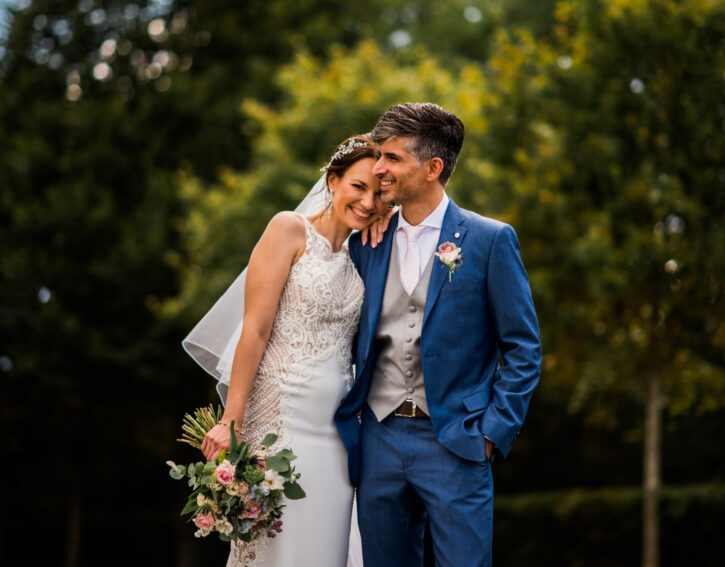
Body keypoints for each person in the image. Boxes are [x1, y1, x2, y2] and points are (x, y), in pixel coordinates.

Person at [334, 103, 542, 567]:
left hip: (457, 439)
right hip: (379, 439)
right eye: (379, 156)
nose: (378, 168)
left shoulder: (490, 240)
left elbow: (523, 348)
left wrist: (492, 432)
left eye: (392, 158)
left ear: (432, 168)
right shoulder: (366, 241)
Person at [184, 134, 389, 566]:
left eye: (378, 194)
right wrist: (231, 420)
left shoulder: (365, 255)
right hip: (280, 423)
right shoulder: (288, 229)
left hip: (337, 437)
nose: (367, 202)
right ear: (332, 181)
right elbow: (255, 330)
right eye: (358, 186)